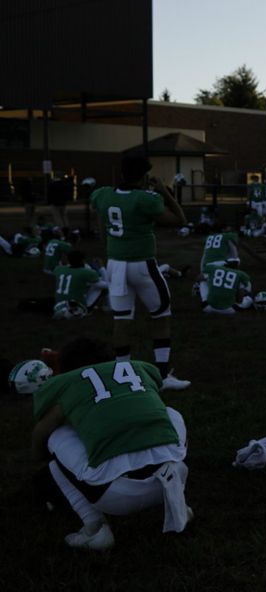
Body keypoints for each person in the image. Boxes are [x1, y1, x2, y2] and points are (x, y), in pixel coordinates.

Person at [30, 337, 192, 550]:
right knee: (169, 413)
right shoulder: (140, 369)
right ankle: (178, 498)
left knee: (57, 435)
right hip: (175, 474)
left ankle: (94, 528)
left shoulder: (65, 384)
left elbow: (42, 431)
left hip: (116, 496)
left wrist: (37, 454)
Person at [89, 154, 190, 390]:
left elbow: (100, 218)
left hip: (115, 264)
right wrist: (165, 193)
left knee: (122, 319)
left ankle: (122, 374)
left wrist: (109, 244)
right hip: (142, 264)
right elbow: (179, 220)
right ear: (144, 176)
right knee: (161, 315)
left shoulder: (102, 194)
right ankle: (162, 377)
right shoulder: (146, 199)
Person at [52, 250, 107, 318]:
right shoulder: (85, 272)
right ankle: (106, 306)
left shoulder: (59, 269)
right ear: (83, 260)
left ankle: (65, 310)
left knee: (88, 285)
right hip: (78, 305)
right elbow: (107, 285)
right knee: (99, 287)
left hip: (59, 304)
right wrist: (102, 268)